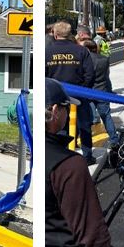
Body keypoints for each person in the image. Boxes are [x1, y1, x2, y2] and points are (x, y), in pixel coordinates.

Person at [44, 78, 118, 247]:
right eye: (65, 108)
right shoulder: (68, 165)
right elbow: (91, 235)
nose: (68, 113)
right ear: (54, 111)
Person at [44, 21, 95, 161]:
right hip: (79, 95)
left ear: (55, 34)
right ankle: (87, 156)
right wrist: (83, 89)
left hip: (55, 97)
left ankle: (61, 155)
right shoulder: (81, 50)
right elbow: (90, 74)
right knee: (84, 125)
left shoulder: (47, 52)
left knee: (58, 126)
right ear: (70, 34)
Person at [83, 39, 118, 145]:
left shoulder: (86, 60)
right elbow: (106, 76)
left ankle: (86, 142)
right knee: (106, 116)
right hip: (102, 90)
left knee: (86, 120)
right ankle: (114, 139)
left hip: (89, 92)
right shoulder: (104, 59)